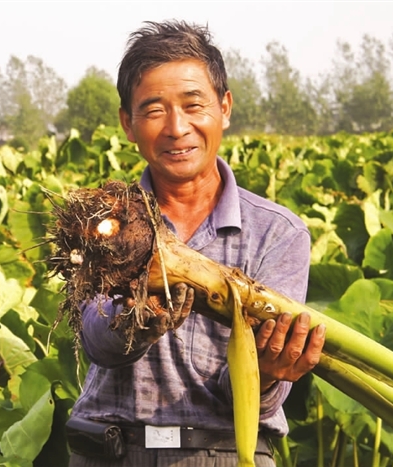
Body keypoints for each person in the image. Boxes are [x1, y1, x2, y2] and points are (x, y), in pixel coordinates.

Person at [66, 20, 326, 467]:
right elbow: (95, 340)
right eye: (153, 111)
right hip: (110, 450)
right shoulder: (107, 220)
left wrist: (264, 373)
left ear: (224, 108)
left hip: (224, 452)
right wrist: (133, 318)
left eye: (193, 105)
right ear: (128, 124)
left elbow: (252, 399)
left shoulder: (278, 233)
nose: (176, 127)